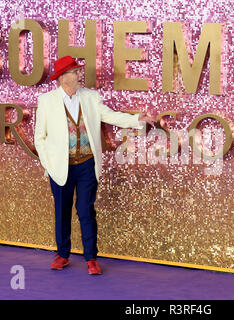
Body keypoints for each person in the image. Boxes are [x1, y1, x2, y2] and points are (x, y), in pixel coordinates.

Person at [34, 56, 155, 275]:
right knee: (62, 211)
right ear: (63, 78)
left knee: (85, 210)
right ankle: (62, 254)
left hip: (87, 165)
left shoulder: (90, 97)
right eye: (75, 72)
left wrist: (138, 119)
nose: (80, 75)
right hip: (60, 167)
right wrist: (49, 165)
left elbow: (110, 116)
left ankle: (91, 258)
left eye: (79, 71)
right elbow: (39, 138)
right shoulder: (47, 101)